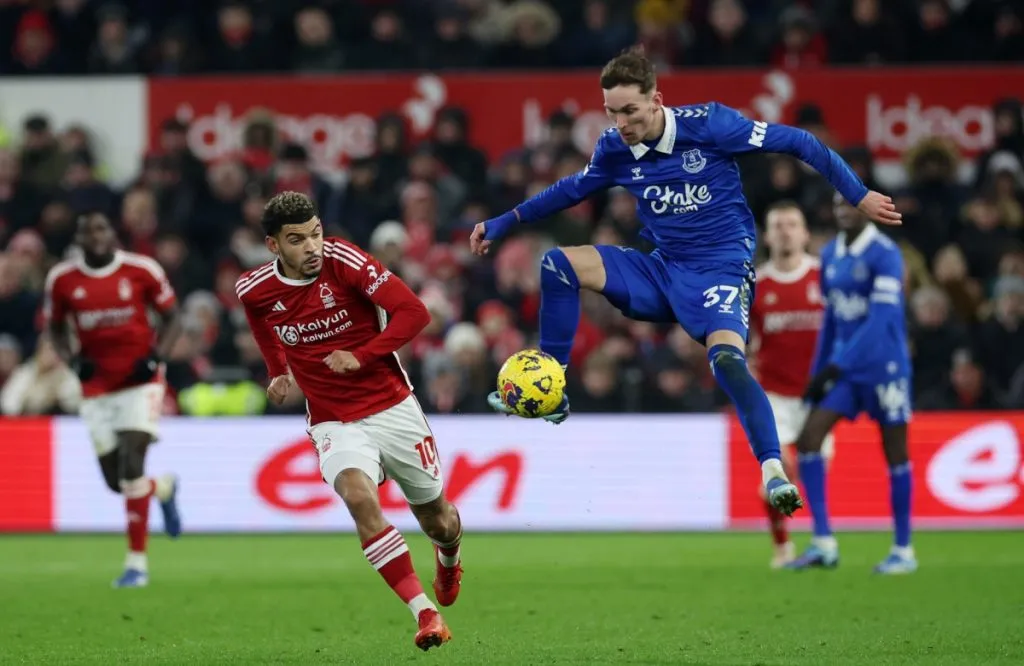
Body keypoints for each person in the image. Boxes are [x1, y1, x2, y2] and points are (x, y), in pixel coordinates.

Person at [469, 47, 901, 516]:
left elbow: (800, 142)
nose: (622, 124)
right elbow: (573, 188)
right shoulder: (614, 148)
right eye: (612, 113)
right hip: (662, 268)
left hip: (721, 269)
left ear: (657, 100)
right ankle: (550, 384)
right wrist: (506, 220)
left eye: (630, 111)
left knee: (728, 361)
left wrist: (857, 195)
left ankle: (773, 469)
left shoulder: (711, 125)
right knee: (558, 264)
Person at [236, 192, 463, 651]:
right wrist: (277, 370)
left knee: (437, 519)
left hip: (393, 407)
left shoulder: (346, 261)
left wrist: (360, 356)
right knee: (359, 498)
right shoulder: (254, 289)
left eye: (316, 233)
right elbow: (262, 323)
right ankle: (424, 613)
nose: (313, 246)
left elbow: (415, 313)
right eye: (297, 240)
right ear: (273, 245)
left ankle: (449, 558)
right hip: (333, 420)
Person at [43, 211, 183, 588]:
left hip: (141, 381)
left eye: (101, 228)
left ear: (112, 234)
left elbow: (173, 318)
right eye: (87, 230)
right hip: (97, 388)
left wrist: (157, 357)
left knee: (132, 460)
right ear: (79, 238)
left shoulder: (142, 270)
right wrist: (72, 361)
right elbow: (54, 328)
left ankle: (136, 565)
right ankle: (164, 488)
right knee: (115, 481)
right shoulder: (62, 279)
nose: (95, 235)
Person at [787, 194, 915, 574]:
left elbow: (880, 322)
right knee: (809, 438)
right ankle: (823, 542)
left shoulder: (885, 254)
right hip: (843, 370)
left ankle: (903, 550)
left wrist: (835, 366)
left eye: (850, 205)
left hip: (884, 368)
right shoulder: (829, 254)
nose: (843, 210)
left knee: (895, 452)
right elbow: (831, 319)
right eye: (838, 204)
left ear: (867, 209)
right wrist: (817, 370)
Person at [748, 201, 832, 568]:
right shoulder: (755, 284)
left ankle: (820, 542)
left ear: (805, 233)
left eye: (792, 224)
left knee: (811, 479)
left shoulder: (825, 277)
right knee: (779, 478)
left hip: (819, 398)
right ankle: (783, 546)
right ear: (767, 235)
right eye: (777, 224)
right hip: (774, 397)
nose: (785, 230)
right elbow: (741, 339)